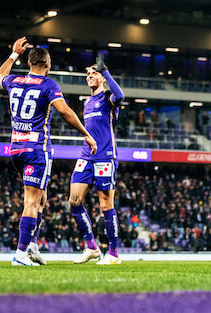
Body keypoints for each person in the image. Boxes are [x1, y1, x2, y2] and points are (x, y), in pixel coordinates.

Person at [0, 38, 97, 267]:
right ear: (47, 63)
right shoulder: (48, 85)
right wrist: (85, 133)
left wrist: (13, 55)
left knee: (40, 199)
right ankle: (20, 255)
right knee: (32, 201)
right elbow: (65, 112)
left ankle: (31, 246)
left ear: (30, 61)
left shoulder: (14, 80)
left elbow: (0, 76)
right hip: (37, 149)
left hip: (16, 148)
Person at [70, 54, 125, 265]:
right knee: (74, 201)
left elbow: (120, 96)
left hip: (105, 157)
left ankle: (113, 254)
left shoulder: (108, 98)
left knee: (105, 204)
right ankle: (91, 247)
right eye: (88, 74)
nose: (89, 77)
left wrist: (105, 72)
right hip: (86, 156)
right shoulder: (86, 103)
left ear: (101, 77)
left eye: (93, 73)